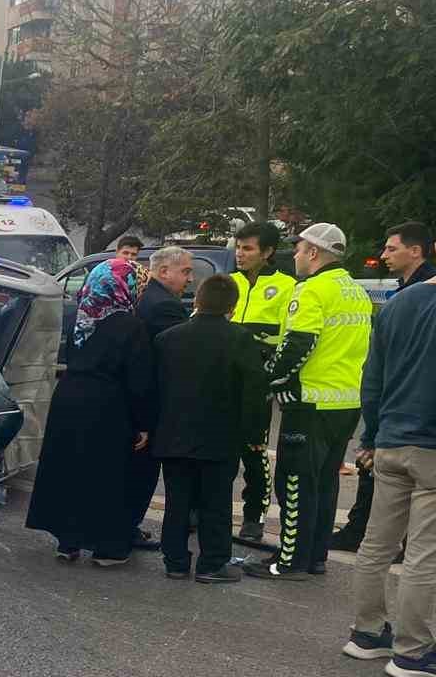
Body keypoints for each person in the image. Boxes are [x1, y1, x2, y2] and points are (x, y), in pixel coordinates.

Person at [243, 223, 374, 580]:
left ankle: (289, 561)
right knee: (324, 482)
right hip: (346, 401)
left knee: (295, 483)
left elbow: (299, 345)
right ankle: (315, 556)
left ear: (314, 253)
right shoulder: (355, 291)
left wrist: (269, 377)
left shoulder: (312, 290)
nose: (296, 255)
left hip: (309, 402)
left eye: (299, 249)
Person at [27, 255, 154, 565]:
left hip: (69, 398)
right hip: (108, 405)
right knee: (107, 475)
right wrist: (144, 422)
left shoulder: (82, 319)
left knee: (71, 470)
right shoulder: (131, 325)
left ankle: (67, 541)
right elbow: (139, 378)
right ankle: (106, 547)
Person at [343, 264, 436, 677]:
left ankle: (366, 632)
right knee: (423, 553)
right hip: (430, 446)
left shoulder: (397, 305)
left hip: (392, 440)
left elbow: (372, 376)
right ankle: (411, 651)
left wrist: (372, 435)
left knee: (377, 543)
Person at [152, 275, 269, 583]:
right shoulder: (241, 339)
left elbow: (156, 388)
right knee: (215, 503)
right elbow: (254, 393)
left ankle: (175, 561)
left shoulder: (168, 338)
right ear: (232, 306)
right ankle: (212, 563)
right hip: (221, 438)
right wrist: (255, 436)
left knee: (177, 501)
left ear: (197, 301)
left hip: (174, 435)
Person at [332, 221, 435, 551]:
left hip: (408, 419)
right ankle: (360, 528)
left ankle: (375, 536)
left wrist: (372, 432)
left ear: (415, 251)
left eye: (392, 248)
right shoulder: (405, 292)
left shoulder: (417, 297)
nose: (383, 255)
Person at [230, 221, 297, 543]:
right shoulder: (227, 283)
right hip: (220, 385)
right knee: (216, 449)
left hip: (256, 387)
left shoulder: (288, 287)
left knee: (254, 452)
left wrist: (266, 371)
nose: (239, 254)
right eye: (238, 247)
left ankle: (254, 517)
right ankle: (203, 510)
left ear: (268, 252)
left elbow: (287, 339)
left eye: (247, 249)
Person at [125, 246, 196, 550]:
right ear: (164, 271)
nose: (190, 279)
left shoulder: (145, 295)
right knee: (142, 473)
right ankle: (128, 526)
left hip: (135, 397)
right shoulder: (165, 306)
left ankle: (125, 524)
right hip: (152, 401)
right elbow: (177, 357)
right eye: (186, 272)